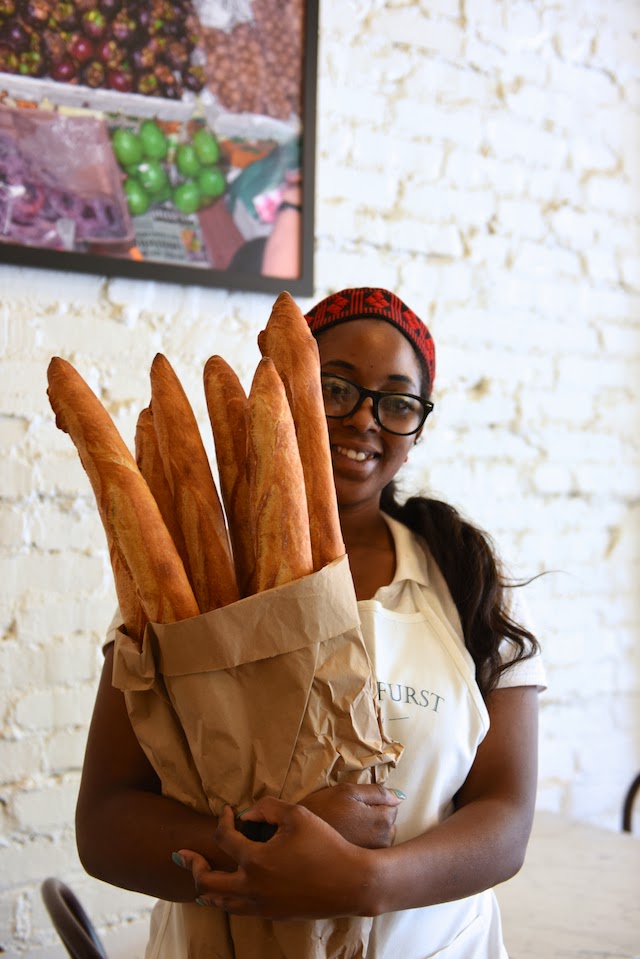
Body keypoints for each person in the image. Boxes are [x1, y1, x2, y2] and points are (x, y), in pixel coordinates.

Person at [76, 287, 545, 958]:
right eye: (335, 388)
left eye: (398, 402)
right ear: (289, 396)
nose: (364, 419)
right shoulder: (186, 588)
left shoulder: (466, 580)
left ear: (416, 429)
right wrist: (258, 847)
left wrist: (364, 881)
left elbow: (506, 818)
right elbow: (105, 823)